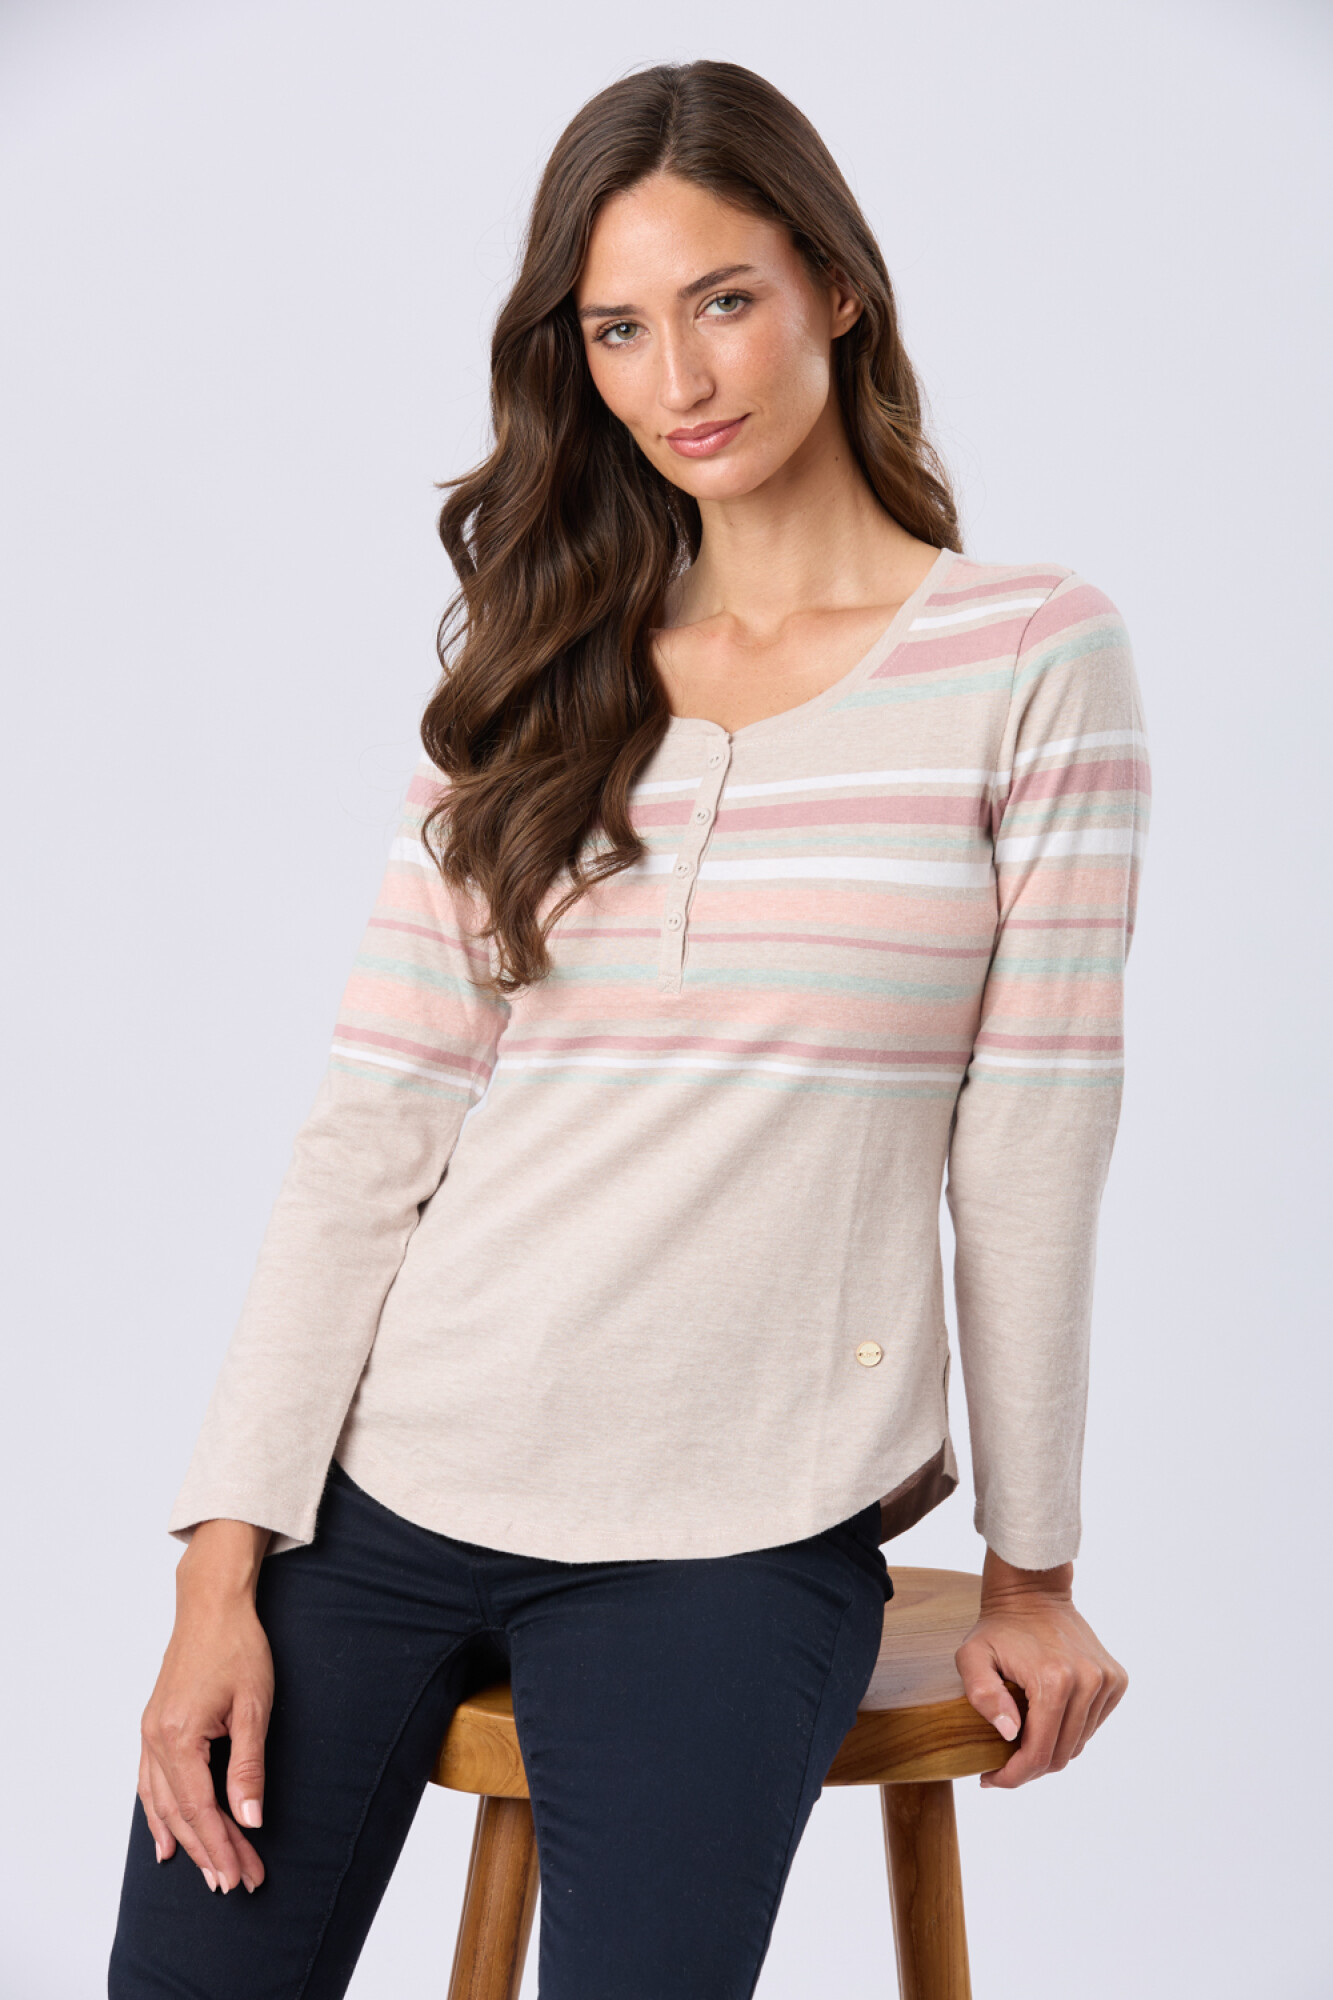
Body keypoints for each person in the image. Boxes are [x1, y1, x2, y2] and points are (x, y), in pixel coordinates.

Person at [109, 58, 1146, 2000]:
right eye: (616, 329)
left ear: (836, 287)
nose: (680, 376)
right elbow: (370, 1135)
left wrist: (1034, 1568)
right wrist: (218, 1565)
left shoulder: (1026, 657)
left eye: (723, 299)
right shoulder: (541, 672)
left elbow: (1030, 1143)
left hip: (739, 1523)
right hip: (394, 1480)